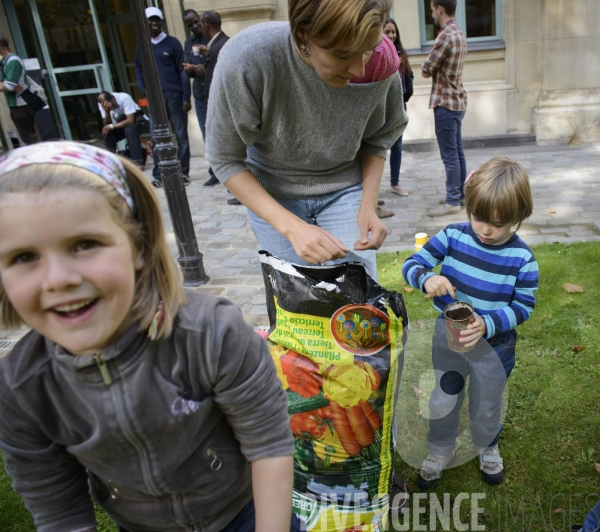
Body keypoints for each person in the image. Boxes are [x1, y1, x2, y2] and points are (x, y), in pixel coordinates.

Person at [0, 141, 297, 532]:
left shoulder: (211, 333)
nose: (59, 279)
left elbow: (268, 444)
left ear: (138, 245)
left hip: (246, 513)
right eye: (23, 257)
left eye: (84, 245)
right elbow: (59, 511)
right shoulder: (20, 389)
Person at [205, 0, 408, 280]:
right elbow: (224, 159)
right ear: (303, 35)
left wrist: (368, 205)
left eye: (368, 50)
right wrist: (292, 228)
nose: (360, 69)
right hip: (273, 193)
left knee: (358, 306)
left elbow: (378, 138)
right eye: (343, 54)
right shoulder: (248, 59)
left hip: (345, 186)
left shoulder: (381, 63)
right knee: (295, 306)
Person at [402, 156, 539, 487]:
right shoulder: (453, 237)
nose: (487, 230)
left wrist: (488, 324)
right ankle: (440, 449)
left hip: (495, 345)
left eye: (500, 223)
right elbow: (412, 263)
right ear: (469, 207)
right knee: (444, 395)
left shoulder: (522, 259)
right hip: (448, 338)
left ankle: (487, 446)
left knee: (487, 401)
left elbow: (524, 306)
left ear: (519, 216)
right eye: (479, 218)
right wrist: (425, 279)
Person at [135, 7, 191, 187]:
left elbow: (182, 71)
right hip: (154, 99)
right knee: (156, 137)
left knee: (180, 135)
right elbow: (138, 68)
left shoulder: (172, 43)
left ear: (161, 21)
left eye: (156, 20)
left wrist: (186, 97)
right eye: (150, 20)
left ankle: (183, 172)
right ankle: (158, 175)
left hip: (174, 96)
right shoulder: (142, 44)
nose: (154, 23)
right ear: (145, 22)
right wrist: (144, 89)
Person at [421, 0, 467, 217]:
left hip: (445, 104)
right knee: (457, 152)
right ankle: (459, 195)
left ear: (440, 8)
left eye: (432, 10)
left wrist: (427, 67)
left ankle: (452, 201)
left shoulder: (444, 36)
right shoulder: (459, 33)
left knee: (450, 155)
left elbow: (426, 68)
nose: (431, 14)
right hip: (457, 102)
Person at [198, 10, 233, 195]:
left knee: (228, 148)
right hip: (221, 103)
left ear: (206, 25)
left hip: (221, 105)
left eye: (199, 24)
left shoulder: (220, 46)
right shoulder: (218, 45)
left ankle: (236, 189)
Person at [383, 18, 413, 198]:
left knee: (397, 146)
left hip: (399, 105)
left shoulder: (402, 54)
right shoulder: (377, 52)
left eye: (393, 31)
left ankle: (395, 183)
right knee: (375, 148)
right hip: (382, 106)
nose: (391, 35)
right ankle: (371, 192)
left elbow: (409, 76)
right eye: (387, 32)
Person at [0, 32, 41, 146]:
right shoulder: (3, 61)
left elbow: (8, 86)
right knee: (27, 138)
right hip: (15, 105)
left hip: (22, 104)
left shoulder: (13, 61)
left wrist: (5, 84)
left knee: (30, 139)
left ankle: (37, 161)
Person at [97, 91, 150, 168]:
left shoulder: (124, 97)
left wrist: (111, 126)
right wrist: (107, 112)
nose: (113, 107)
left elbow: (130, 121)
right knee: (108, 134)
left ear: (112, 97)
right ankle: (110, 164)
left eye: (113, 105)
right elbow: (107, 125)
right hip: (123, 123)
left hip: (140, 121)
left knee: (129, 130)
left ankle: (138, 163)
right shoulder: (103, 105)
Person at [182, 9, 209, 140]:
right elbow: (187, 67)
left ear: (200, 19)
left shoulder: (210, 36)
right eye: (190, 25)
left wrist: (205, 68)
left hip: (214, 91)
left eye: (195, 22)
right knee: (206, 133)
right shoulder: (188, 43)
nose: (194, 26)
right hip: (200, 94)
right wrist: (191, 69)